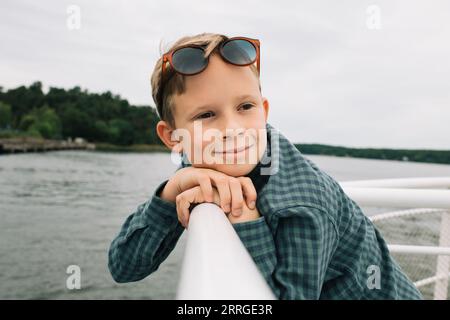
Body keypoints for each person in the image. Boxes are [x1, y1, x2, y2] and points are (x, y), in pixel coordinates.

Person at [108, 32, 422, 299]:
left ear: (264, 110)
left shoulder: (304, 205)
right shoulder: (204, 159)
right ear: (172, 136)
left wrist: (246, 220)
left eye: (245, 106)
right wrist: (170, 192)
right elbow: (124, 267)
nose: (233, 128)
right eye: (206, 115)